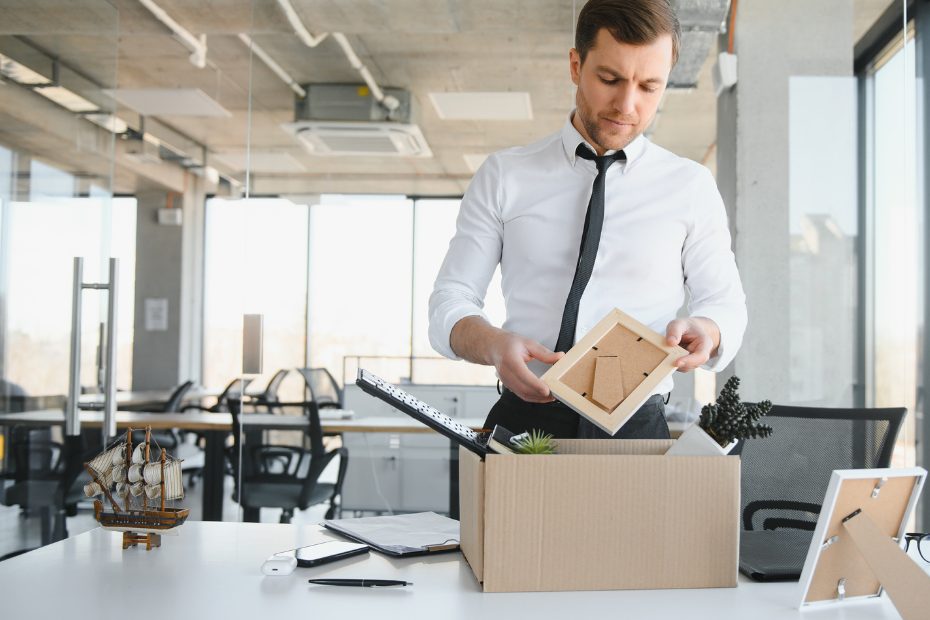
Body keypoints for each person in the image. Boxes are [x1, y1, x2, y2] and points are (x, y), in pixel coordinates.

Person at [428, 0, 746, 440]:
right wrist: (493, 345)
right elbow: (451, 299)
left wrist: (707, 329)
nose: (627, 105)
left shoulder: (690, 185)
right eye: (610, 79)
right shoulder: (505, 175)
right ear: (576, 65)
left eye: (650, 86)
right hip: (523, 421)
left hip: (637, 426)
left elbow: (725, 305)